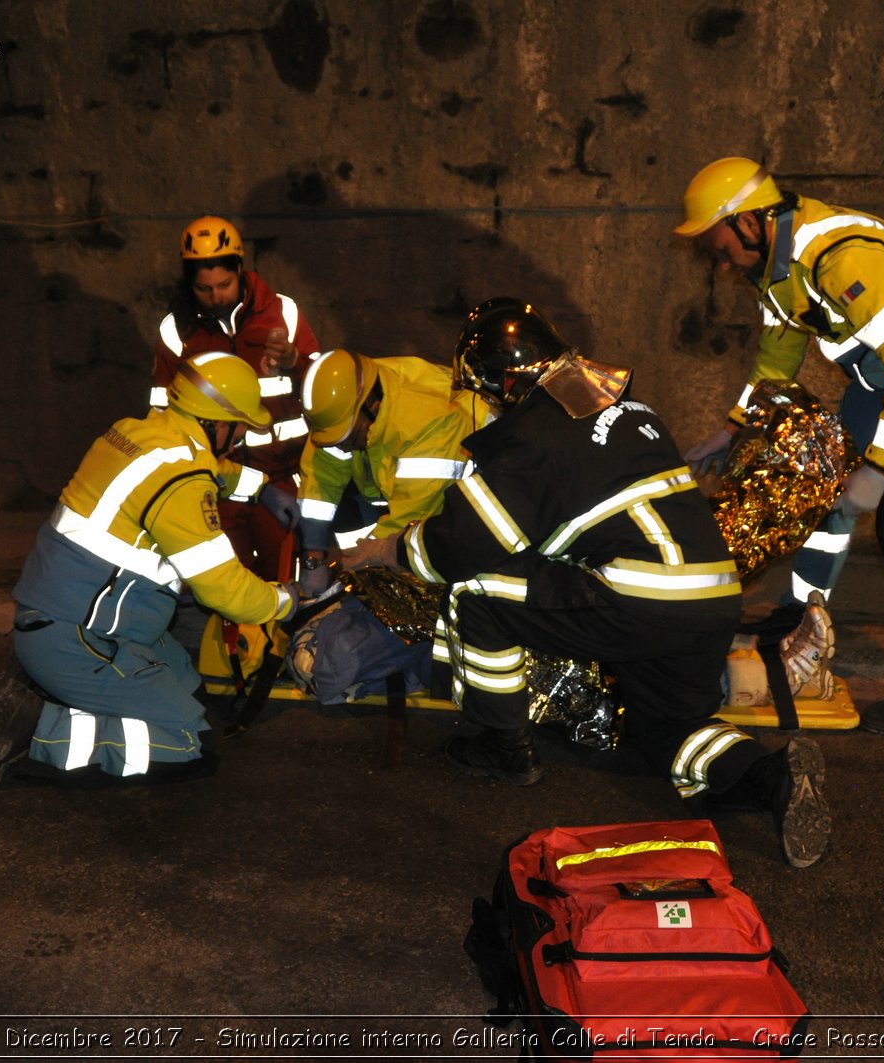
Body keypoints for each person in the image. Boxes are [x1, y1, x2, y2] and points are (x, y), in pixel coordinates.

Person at [342, 298, 831, 869]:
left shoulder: (538, 435)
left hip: (641, 596)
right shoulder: (630, 410)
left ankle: (502, 747)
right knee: (667, 731)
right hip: (711, 598)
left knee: (477, 594)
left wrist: (387, 549)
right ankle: (772, 778)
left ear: (505, 383)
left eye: (483, 392)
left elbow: (467, 542)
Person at [674, 157, 884, 737]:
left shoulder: (841, 258)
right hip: (879, 378)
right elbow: (776, 359)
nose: (715, 260)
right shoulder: (773, 269)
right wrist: (732, 428)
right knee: (826, 495)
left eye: (716, 243)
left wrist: (879, 467)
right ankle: (802, 619)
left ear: (748, 222)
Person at [0, 352, 305, 789]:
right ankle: (36, 729)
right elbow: (223, 590)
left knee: (192, 693)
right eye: (239, 425)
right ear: (214, 422)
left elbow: (202, 467)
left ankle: (48, 685)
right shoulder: (182, 482)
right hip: (77, 638)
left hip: (66, 620)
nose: (241, 436)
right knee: (190, 746)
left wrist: (259, 489)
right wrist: (288, 600)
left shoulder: (137, 433)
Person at [148, 215, 320, 581]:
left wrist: (294, 362)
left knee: (280, 584)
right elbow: (162, 416)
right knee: (224, 586)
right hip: (216, 485)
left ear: (240, 269)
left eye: (224, 284)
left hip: (280, 479)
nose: (216, 297)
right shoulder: (176, 331)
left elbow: (323, 391)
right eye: (204, 289)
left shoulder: (283, 313)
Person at [294, 348, 491, 591]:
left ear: (373, 407)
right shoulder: (351, 393)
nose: (341, 446)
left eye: (347, 436)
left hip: (475, 492)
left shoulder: (429, 426)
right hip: (397, 489)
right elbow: (322, 470)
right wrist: (314, 552)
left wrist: (354, 571)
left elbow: (410, 520)